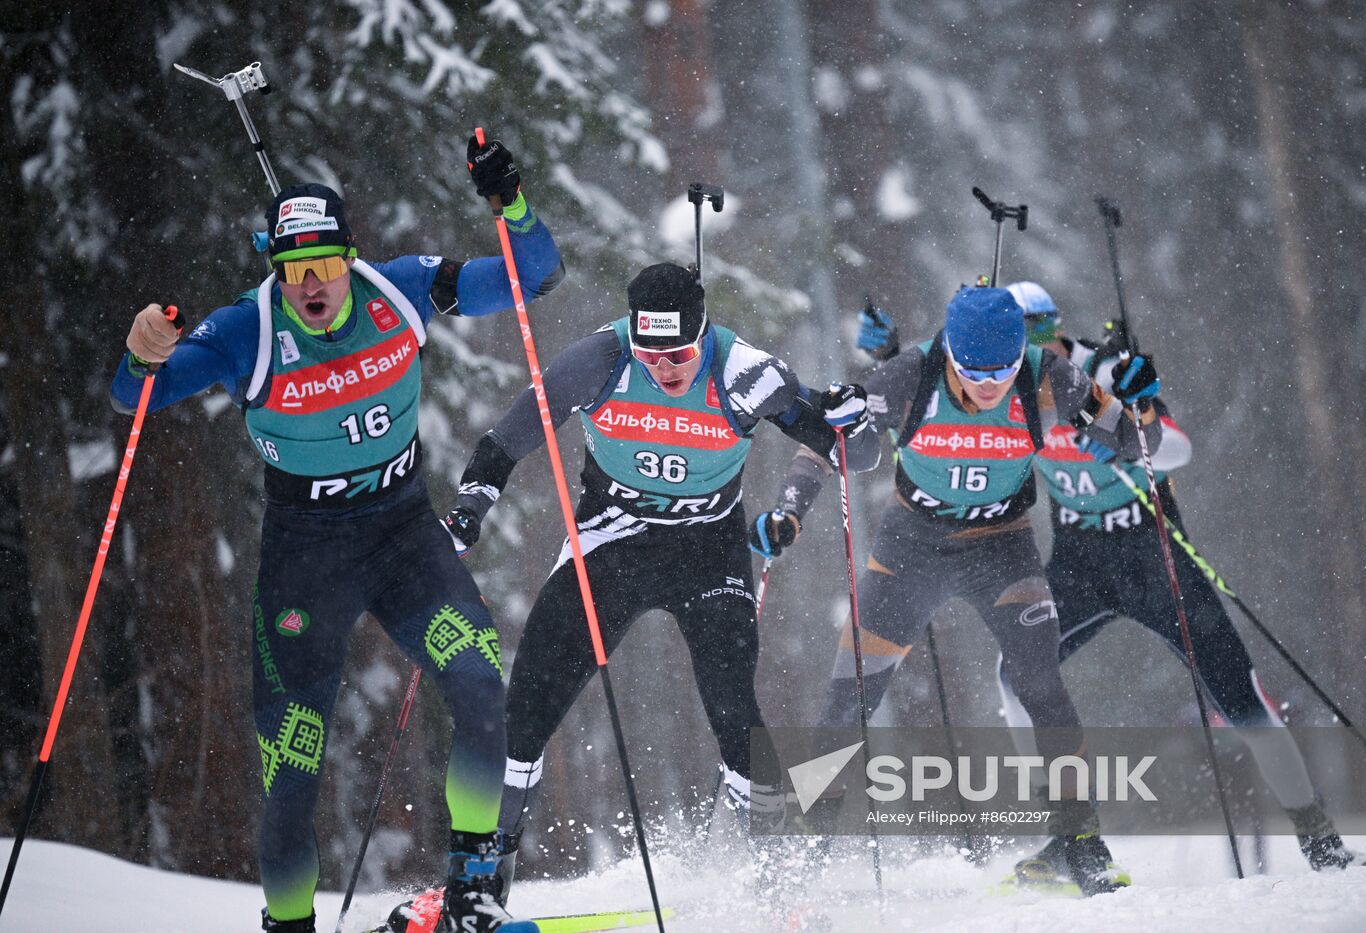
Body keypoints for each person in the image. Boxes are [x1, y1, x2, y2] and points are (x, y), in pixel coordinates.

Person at [110, 138, 564, 933]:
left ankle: (470, 897)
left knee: (483, 690)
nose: (310, 283)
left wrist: (512, 204)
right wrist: (142, 352)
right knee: (292, 769)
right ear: (273, 269)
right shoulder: (243, 331)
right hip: (306, 559)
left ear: (350, 258)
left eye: (323, 263)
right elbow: (135, 399)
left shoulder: (401, 289)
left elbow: (534, 277)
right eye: (292, 268)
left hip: (402, 538)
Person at [440, 261, 878, 897]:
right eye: (650, 353)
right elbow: (506, 441)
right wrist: (469, 509)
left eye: (678, 354)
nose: (664, 369)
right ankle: (478, 882)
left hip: (708, 549)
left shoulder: (744, 372)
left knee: (732, 704)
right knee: (526, 708)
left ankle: (780, 880)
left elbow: (857, 458)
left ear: (703, 336)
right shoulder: (598, 361)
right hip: (612, 540)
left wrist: (852, 421)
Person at [765, 285, 1163, 895]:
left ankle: (1082, 843)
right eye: (974, 372)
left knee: (1041, 683)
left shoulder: (1047, 375)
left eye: (1001, 373)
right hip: (910, 548)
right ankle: (800, 860)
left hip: (1001, 549)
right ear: (950, 352)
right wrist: (790, 511)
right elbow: (828, 441)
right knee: (848, 702)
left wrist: (1144, 403)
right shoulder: (910, 374)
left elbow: (1139, 447)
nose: (988, 387)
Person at [996, 280, 1366, 874]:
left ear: (1053, 328)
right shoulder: (1004, 391)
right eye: (1011, 340)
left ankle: (1320, 839)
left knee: (1242, 699)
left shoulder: (1106, 368)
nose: (1026, 351)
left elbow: (1175, 451)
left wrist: (1128, 432)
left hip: (1155, 558)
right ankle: (1067, 836)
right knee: (1015, 677)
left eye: (1036, 333)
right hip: (1079, 565)